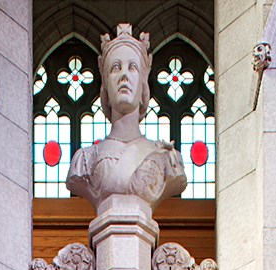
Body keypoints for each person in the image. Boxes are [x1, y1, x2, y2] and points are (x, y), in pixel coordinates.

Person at [66, 23, 186, 213]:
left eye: (132, 68)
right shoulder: (85, 159)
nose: (124, 75)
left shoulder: (167, 157)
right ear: (105, 86)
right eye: (115, 67)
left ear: (143, 85)